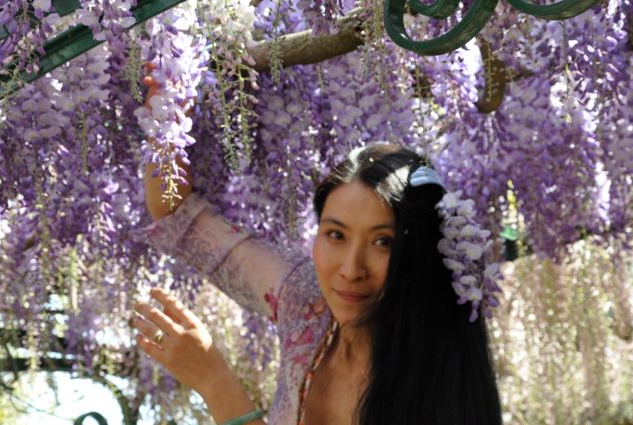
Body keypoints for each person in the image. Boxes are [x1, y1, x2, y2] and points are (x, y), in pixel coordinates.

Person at [131, 69, 503, 425]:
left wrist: (214, 382)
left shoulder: (434, 380)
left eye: (383, 242)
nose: (350, 269)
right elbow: (176, 211)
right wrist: (170, 104)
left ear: (420, 253)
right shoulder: (305, 301)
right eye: (336, 235)